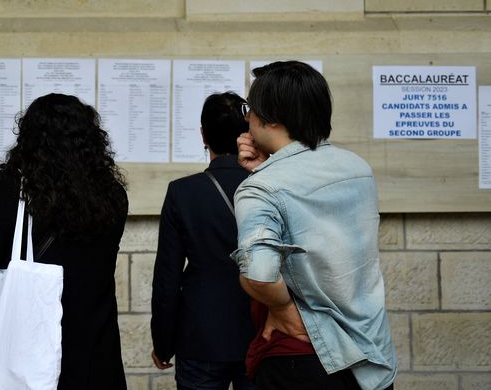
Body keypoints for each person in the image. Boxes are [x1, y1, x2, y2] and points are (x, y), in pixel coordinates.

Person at [231, 61, 396, 390]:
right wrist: (265, 170)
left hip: (304, 359)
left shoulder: (261, 188)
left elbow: (259, 273)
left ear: (272, 117)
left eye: (249, 108)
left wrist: (283, 308)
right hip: (372, 357)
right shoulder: (357, 168)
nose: (247, 118)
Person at [0, 93, 128, 390]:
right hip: (95, 360)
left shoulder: (6, 190)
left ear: (28, 139)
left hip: (23, 363)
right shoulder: (112, 196)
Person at [150, 92, 255, 390]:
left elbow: (167, 278)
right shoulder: (269, 185)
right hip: (260, 330)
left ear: (203, 135)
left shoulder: (182, 192)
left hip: (201, 336)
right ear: (246, 134)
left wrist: (163, 342)